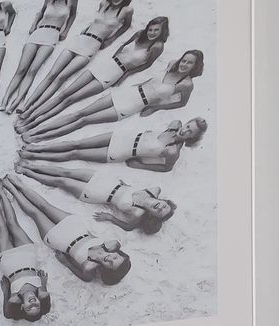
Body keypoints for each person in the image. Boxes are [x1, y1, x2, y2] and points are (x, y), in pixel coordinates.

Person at [11, 0, 133, 117]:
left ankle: (32, 109)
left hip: (92, 46)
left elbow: (126, 26)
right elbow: (97, 21)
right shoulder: (104, 3)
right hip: (80, 40)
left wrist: (111, 39)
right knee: (52, 74)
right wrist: (86, 28)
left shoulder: (127, 10)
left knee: (61, 77)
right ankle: (26, 105)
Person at [20, 16, 169, 127]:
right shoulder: (139, 34)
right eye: (151, 29)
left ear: (162, 32)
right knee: (64, 92)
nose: (152, 32)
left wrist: (126, 74)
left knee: (71, 99)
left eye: (156, 30)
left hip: (116, 73)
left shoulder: (157, 47)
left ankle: (34, 121)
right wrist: (112, 59)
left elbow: (147, 64)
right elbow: (122, 46)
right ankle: (30, 112)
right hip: (107, 64)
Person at [30, 50, 205, 142]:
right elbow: (154, 79)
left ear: (195, 66)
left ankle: (40, 137)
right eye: (184, 60)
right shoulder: (172, 63)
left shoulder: (186, 84)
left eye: (189, 63)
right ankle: (36, 126)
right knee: (80, 112)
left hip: (135, 105)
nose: (184, 64)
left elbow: (181, 103)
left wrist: (155, 107)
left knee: (85, 120)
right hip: (130, 92)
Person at [0, 174, 131, 285]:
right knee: (44, 205)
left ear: (107, 270)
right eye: (115, 257)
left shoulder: (90, 267)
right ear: (117, 253)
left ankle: (12, 190)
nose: (110, 259)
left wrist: (66, 263)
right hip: (76, 228)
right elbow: (116, 243)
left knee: (35, 213)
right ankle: (19, 185)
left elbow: (85, 278)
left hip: (60, 240)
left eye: (111, 264)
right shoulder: (113, 245)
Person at [18, 160, 176, 234]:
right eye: (164, 205)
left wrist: (110, 218)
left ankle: (28, 172)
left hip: (97, 194)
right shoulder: (153, 190)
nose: (160, 207)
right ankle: (32, 166)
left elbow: (129, 227)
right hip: (108, 181)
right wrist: (126, 185)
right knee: (68, 172)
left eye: (160, 212)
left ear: (153, 215)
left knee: (62, 181)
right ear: (162, 200)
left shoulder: (137, 212)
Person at [1, 0, 77, 113]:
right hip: (38, 32)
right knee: (21, 69)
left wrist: (66, 30)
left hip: (52, 35)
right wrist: (33, 26)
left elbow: (72, 15)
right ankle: (5, 100)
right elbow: (41, 13)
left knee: (33, 70)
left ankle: (16, 101)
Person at [21, 117, 208, 171]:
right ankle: (37, 148)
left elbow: (166, 168)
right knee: (76, 142)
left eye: (190, 132)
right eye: (188, 126)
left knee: (75, 153)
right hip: (122, 137)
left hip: (122, 151)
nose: (185, 130)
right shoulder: (174, 124)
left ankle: (33, 156)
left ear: (192, 138)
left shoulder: (173, 151)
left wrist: (140, 165)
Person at [0, 183, 52, 321]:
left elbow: (7, 314)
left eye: (29, 308)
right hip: (27, 257)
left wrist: (5, 291)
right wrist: (44, 284)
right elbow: (46, 301)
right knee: (13, 223)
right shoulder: (42, 293)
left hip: (9, 263)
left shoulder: (14, 299)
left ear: (22, 306)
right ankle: (2, 193)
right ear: (40, 302)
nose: (33, 304)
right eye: (37, 306)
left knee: (2, 228)